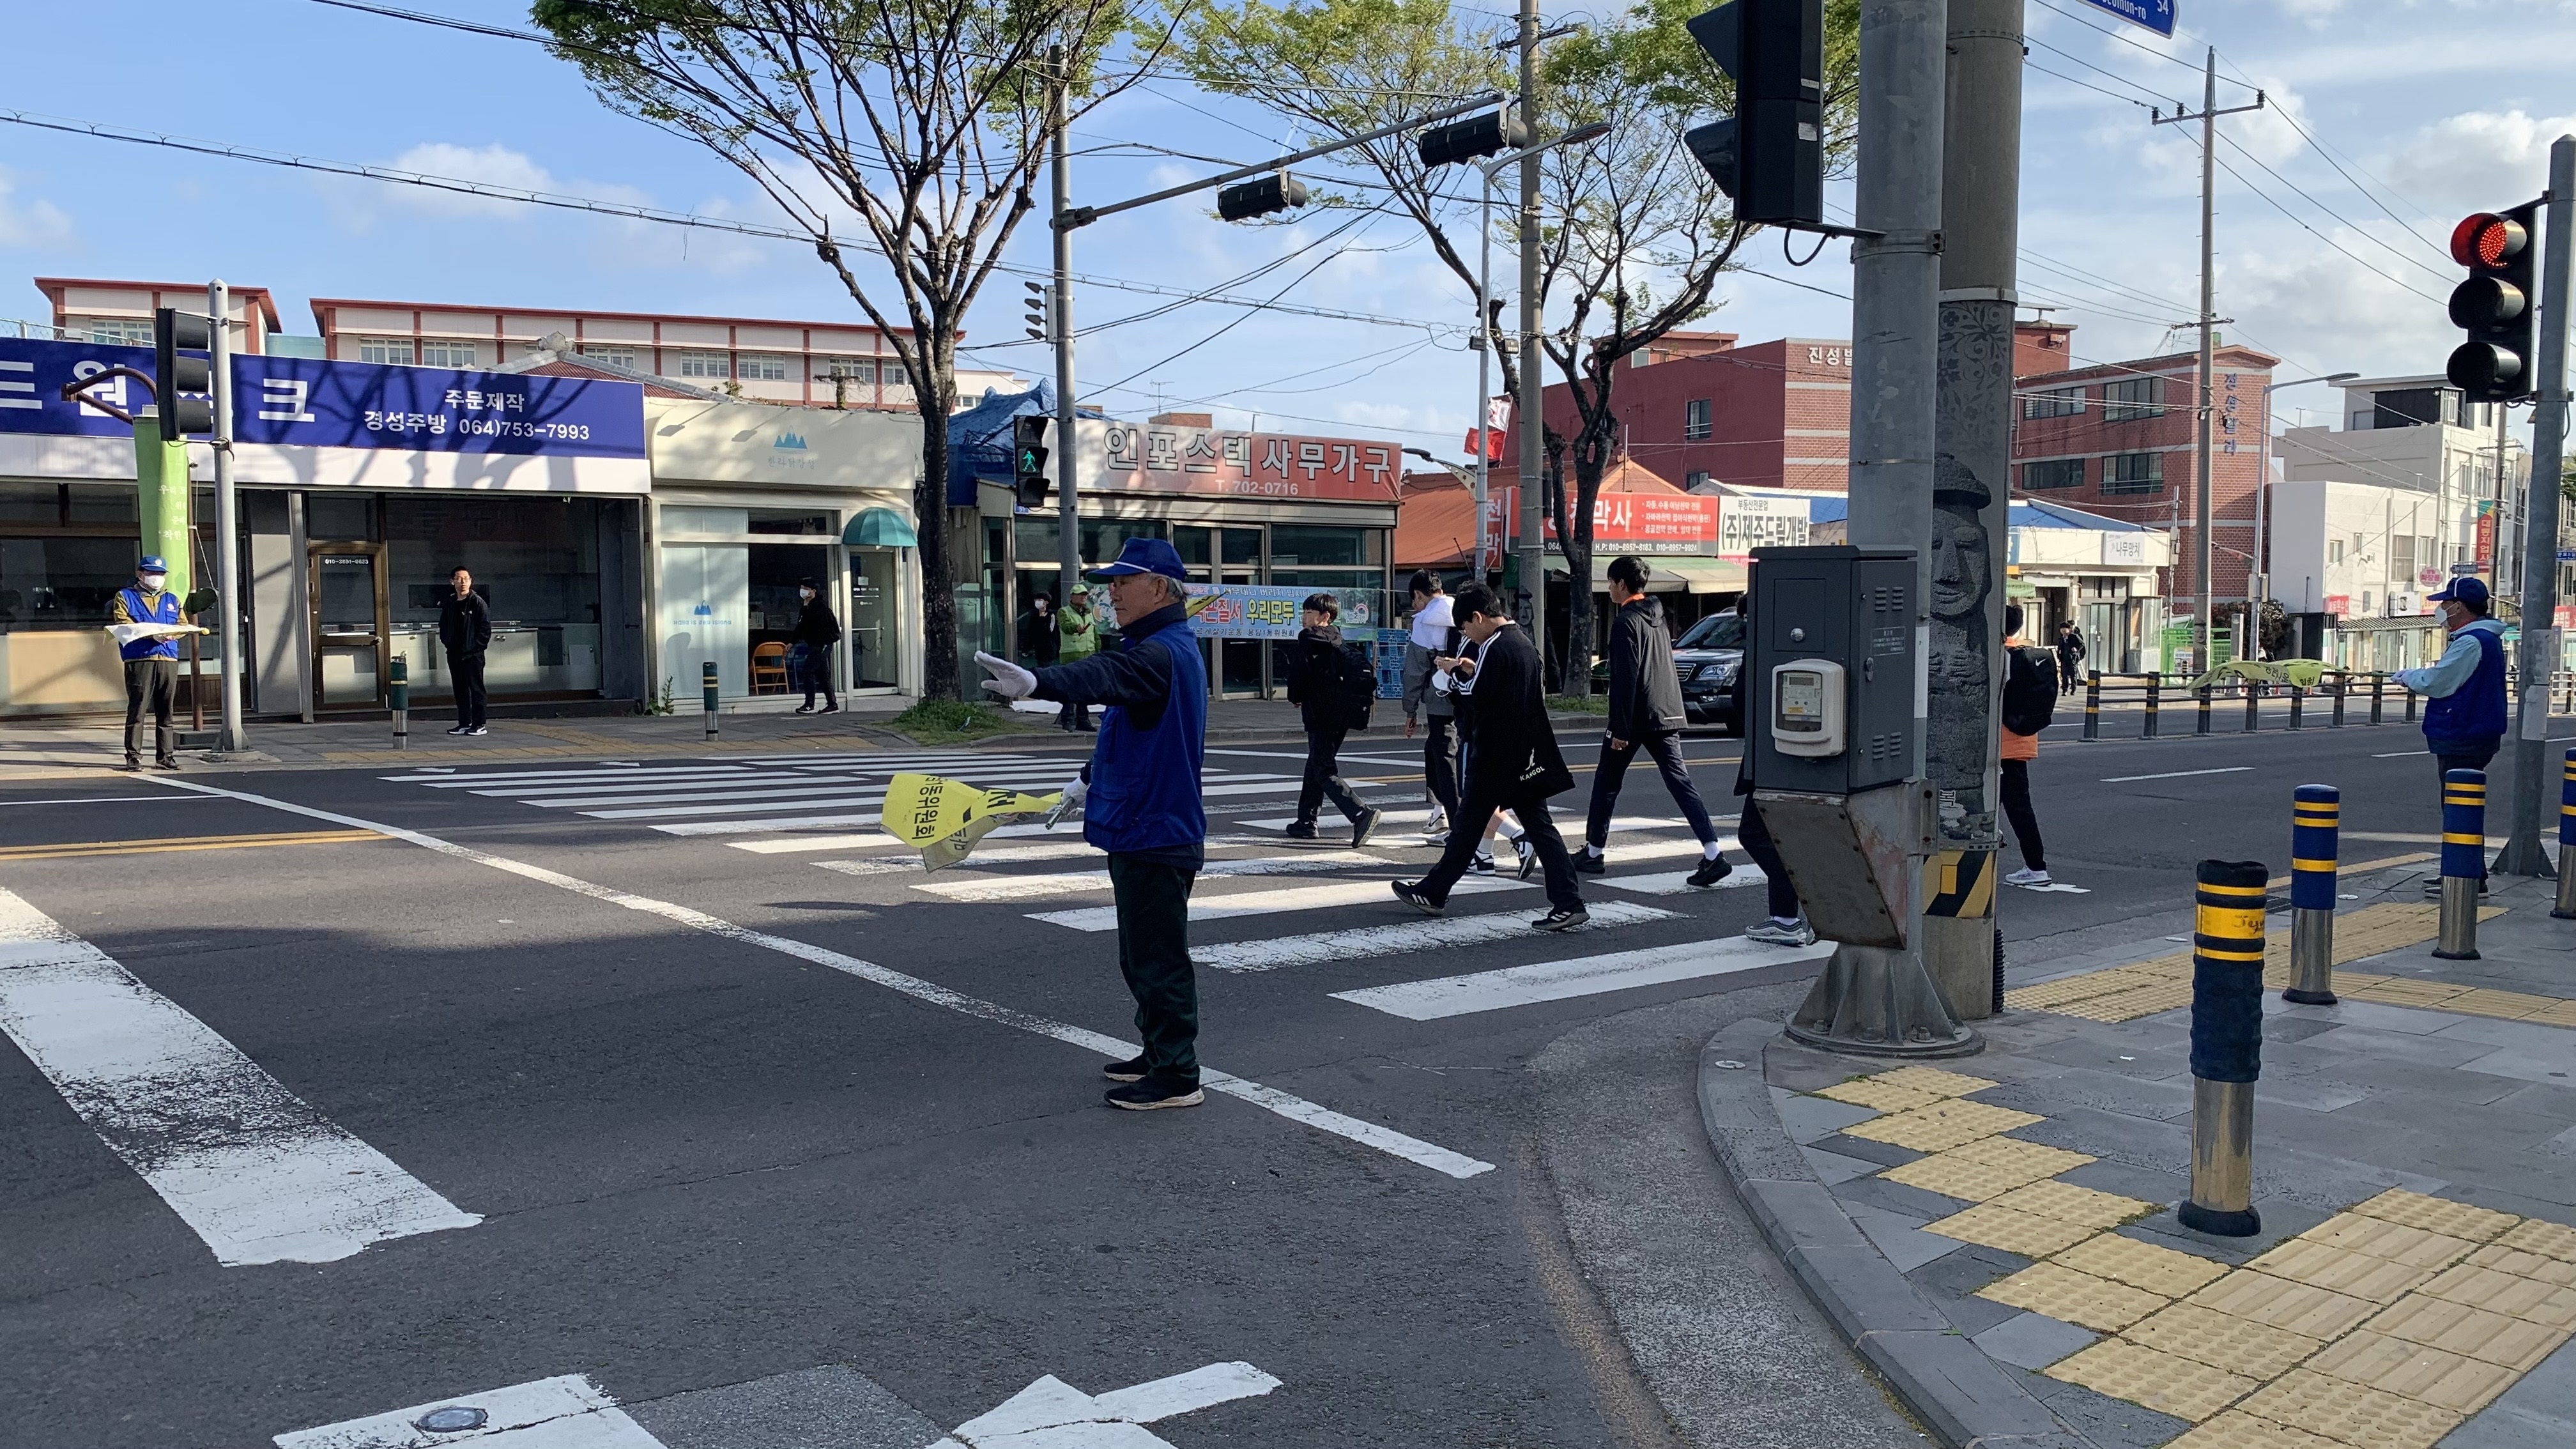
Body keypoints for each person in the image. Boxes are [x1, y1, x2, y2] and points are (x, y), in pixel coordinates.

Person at [974, 539, 1209, 1110]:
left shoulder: (1159, 653)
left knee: (1158, 958)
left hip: (1156, 829)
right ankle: (1158, 1053)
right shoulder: (1160, 647)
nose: (1111, 595)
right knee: (1140, 954)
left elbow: (1105, 675)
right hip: (1142, 824)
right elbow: (1124, 729)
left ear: (1158, 588)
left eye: (1121, 583)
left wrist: (1039, 683)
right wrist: (1085, 780)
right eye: (1108, 585)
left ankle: (1178, 1074)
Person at [1392, 583, 1586, 930]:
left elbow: (1476, 694)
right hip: (1520, 750)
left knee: (1473, 825)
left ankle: (1436, 892)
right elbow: (1493, 687)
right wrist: (1467, 671)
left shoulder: (1496, 647)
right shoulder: (1521, 643)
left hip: (1498, 753)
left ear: (1479, 617)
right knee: (1512, 825)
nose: (1465, 633)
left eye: (1466, 626)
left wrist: (1451, 675)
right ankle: (1567, 900)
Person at [1581, 556, 1730, 887]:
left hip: (1636, 716)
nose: (1609, 589)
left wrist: (1619, 729)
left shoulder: (1625, 622)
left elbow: (1625, 678)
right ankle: (1713, 852)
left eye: (1610, 583)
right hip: (1666, 712)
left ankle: (1593, 854)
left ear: (1621, 584)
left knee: (1607, 782)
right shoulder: (1657, 616)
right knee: (1680, 782)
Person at [2395, 576, 2508, 896]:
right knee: (2462, 805)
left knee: (2459, 806)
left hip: (2463, 732)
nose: (2441, 609)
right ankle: (2467, 873)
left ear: (2460, 607)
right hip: (2473, 732)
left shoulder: (2472, 641)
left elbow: (2440, 682)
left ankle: (2466, 878)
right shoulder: (2482, 638)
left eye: (2446, 603)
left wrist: (2409, 677)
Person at [1728, 587, 1813, 946]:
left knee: (1756, 833)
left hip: (1772, 755)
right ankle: (1784, 916)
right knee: (1779, 835)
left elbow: (1741, 703)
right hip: (1798, 751)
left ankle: (1791, 912)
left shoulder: (1762, 649)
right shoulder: (1801, 640)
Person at [1283, 593, 1384, 847]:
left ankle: (1360, 813)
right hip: (1340, 713)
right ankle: (1306, 821)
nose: (1304, 617)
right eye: (1304, 612)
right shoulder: (1338, 640)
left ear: (1325, 617)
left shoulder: (1309, 639)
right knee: (1316, 764)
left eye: (1309, 612)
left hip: (1321, 714)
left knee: (1323, 769)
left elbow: (1299, 675)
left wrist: (1295, 696)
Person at [2000, 604, 2058, 887]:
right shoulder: (2024, 656)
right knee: (2018, 807)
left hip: (1996, 744)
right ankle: (2035, 866)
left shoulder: (1999, 658)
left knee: (2000, 806)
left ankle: (2036, 868)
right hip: (2020, 740)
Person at [1401, 571, 1461, 839]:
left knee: (1443, 756)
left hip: (1440, 697)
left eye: (1414, 600)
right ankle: (1439, 814)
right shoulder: (1461, 609)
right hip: (1469, 694)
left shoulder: (1425, 621)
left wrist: (1410, 709)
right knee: (1438, 753)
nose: (1414, 606)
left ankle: (1456, 820)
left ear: (1419, 595)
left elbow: (1415, 671)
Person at [110, 554, 183, 770]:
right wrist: (151, 635)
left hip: (168, 657)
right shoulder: (125, 596)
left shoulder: (172, 600)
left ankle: (166, 756)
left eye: (160, 574)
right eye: (151, 573)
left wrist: (173, 634)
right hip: (139, 657)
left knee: (166, 710)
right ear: (140, 574)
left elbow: (182, 623)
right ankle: (134, 756)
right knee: (138, 709)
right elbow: (123, 622)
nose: (156, 577)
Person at [438, 567, 492, 737]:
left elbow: (485, 628)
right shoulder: (450, 603)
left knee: (476, 689)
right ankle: (464, 723)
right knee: (460, 690)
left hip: (473, 654)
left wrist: (476, 647)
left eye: (466, 579)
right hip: (455, 654)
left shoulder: (477, 602)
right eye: (459, 579)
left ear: (471, 581)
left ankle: (479, 724)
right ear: (452, 581)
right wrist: (448, 643)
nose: (463, 582)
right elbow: (443, 626)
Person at [791, 577, 841, 715]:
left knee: (808, 671)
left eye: (806, 589)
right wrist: (792, 642)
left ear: (813, 591)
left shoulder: (820, 606)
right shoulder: (806, 607)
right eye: (802, 588)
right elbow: (801, 626)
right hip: (815, 644)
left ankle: (809, 704)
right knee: (823, 674)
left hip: (823, 644)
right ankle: (832, 704)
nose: (803, 592)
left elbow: (824, 626)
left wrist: (826, 641)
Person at [1055, 585, 1100, 732]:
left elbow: (1095, 634)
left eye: (1085, 595)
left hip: (1088, 655)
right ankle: (1067, 720)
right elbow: (1066, 627)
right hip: (1071, 655)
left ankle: (1083, 720)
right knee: (1070, 689)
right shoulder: (1064, 612)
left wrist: (1097, 652)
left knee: (1084, 690)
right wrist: (1076, 628)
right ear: (1072, 597)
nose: (1083, 598)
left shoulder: (1089, 613)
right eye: (1080, 595)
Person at [1017, 591, 1060, 669]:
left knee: (1048, 669)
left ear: (1046, 602)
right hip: (1038, 650)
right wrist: (1027, 648)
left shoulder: (1051, 615)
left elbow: (1049, 631)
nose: (1037, 602)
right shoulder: (1034, 616)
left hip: (1049, 650)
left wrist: (1042, 620)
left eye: (1040, 600)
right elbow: (1031, 633)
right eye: (1036, 600)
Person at [2055, 620, 2087, 696]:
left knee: (2073, 675)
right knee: (2064, 675)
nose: (2063, 631)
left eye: (2064, 629)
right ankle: (2065, 690)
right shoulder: (2061, 639)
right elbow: (2060, 647)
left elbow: (2082, 644)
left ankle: (2073, 689)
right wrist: (2059, 655)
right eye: (2061, 629)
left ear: (2068, 629)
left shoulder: (2074, 636)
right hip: (2064, 659)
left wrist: (2076, 649)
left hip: (2072, 658)